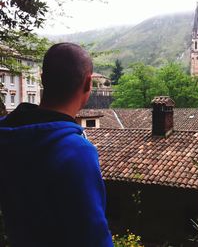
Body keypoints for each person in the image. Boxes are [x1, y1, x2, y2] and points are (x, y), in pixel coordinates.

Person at [0, 43, 113, 247]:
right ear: (88, 83)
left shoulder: (7, 135)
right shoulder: (77, 152)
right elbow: (93, 237)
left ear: (42, 78)